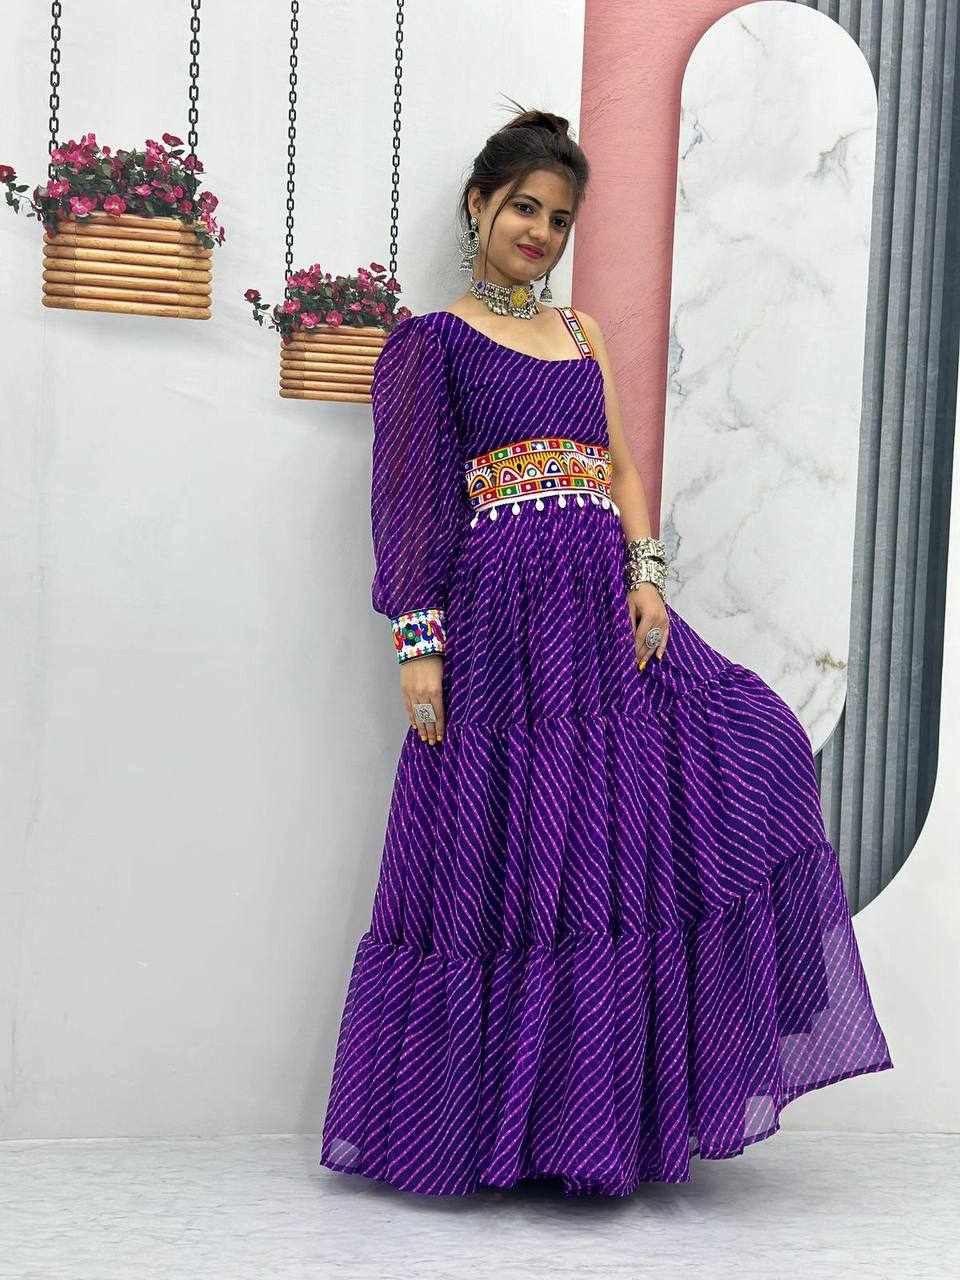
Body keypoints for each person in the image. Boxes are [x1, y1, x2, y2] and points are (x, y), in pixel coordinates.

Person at [318, 106, 894, 1198]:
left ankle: (599, 1125)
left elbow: (622, 466)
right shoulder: (431, 344)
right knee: (516, 853)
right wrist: (417, 644)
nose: (539, 232)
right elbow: (409, 502)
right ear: (479, 204)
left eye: (559, 218)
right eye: (523, 208)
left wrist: (647, 574)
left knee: (739, 757)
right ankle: (490, 1132)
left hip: (603, 616)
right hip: (502, 627)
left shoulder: (582, 333)